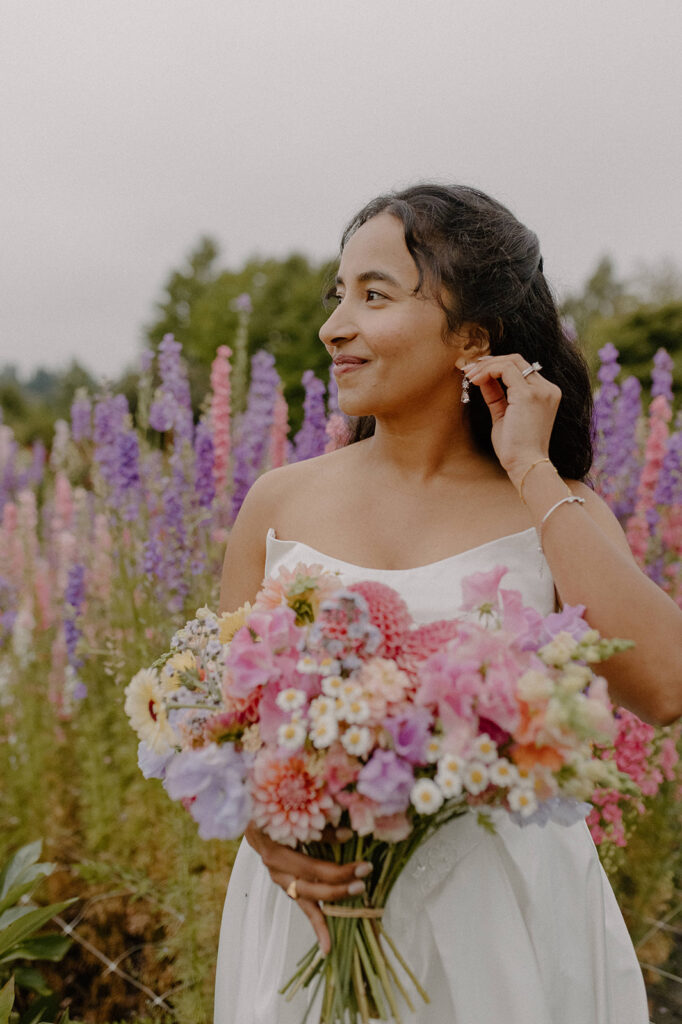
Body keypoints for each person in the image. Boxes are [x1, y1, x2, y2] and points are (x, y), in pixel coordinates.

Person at [214, 184, 682, 1023]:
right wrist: (264, 832)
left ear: (472, 335)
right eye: (338, 295)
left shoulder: (554, 508)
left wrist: (533, 467)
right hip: (312, 921)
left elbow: (666, 684)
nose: (334, 326)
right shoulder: (277, 501)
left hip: (504, 921)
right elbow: (224, 730)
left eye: (375, 294)